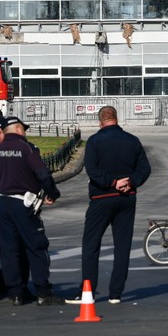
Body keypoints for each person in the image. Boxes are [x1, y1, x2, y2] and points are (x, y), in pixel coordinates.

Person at [67, 106, 150, 305]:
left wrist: (112, 182)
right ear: (116, 118)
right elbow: (145, 169)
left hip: (101, 198)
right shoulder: (132, 140)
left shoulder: (95, 141)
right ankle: (116, 293)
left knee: (91, 245)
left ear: (100, 121)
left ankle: (88, 292)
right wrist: (130, 182)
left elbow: (92, 171)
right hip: (127, 198)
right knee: (122, 246)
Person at [0, 116, 65, 306]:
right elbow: (42, 174)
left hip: (3, 205)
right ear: (18, 129)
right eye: (24, 129)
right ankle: (43, 292)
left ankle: (16, 293)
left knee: (10, 250)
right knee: (36, 247)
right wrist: (53, 193)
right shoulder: (26, 148)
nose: (25, 132)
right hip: (24, 205)